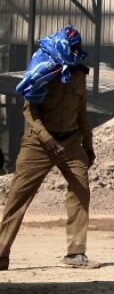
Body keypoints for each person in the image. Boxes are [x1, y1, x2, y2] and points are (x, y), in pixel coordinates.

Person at [0, 24, 97, 270]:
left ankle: (75, 254)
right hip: (39, 144)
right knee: (18, 197)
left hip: (71, 140)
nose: (77, 52)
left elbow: (82, 112)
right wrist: (46, 139)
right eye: (74, 48)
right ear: (64, 47)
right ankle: (1, 254)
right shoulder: (43, 69)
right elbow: (29, 110)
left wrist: (88, 143)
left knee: (81, 190)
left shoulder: (78, 73)